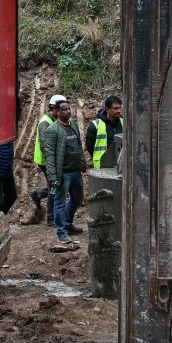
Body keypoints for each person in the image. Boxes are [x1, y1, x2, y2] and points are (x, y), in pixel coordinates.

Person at [41, 99, 88, 243]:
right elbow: (49, 155)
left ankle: (67, 223)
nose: (68, 111)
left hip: (75, 171)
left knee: (78, 198)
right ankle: (61, 232)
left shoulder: (73, 125)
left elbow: (78, 146)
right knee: (60, 202)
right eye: (64, 110)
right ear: (57, 111)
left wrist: (82, 162)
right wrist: (52, 176)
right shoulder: (52, 130)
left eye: (69, 109)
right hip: (63, 173)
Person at [29, 94, 66, 225]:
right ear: (54, 108)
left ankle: (38, 194)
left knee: (54, 186)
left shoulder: (54, 120)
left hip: (51, 160)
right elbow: (45, 145)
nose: (64, 111)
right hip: (47, 161)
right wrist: (52, 162)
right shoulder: (45, 122)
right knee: (54, 187)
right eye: (61, 109)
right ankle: (50, 218)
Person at [85, 96, 124, 168]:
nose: (119, 111)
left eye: (120, 108)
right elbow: (90, 145)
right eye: (115, 108)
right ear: (107, 109)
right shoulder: (95, 125)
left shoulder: (124, 123)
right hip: (102, 164)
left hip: (122, 164)